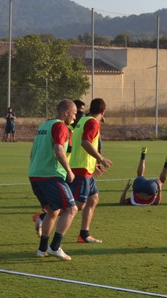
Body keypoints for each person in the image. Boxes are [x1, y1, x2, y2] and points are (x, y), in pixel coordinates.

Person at [28, 99, 78, 261]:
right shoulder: (60, 126)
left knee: (53, 211)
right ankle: (55, 247)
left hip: (35, 173)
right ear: (66, 113)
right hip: (50, 174)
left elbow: (32, 152)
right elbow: (58, 149)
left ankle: (42, 249)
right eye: (74, 113)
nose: (75, 117)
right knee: (72, 209)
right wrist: (69, 170)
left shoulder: (44, 125)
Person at [68, 98, 113, 243]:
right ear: (103, 111)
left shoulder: (83, 120)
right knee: (78, 204)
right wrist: (101, 158)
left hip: (86, 167)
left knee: (93, 199)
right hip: (81, 168)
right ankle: (44, 217)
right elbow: (85, 142)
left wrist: (94, 165)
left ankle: (84, 234)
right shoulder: (93, 123)